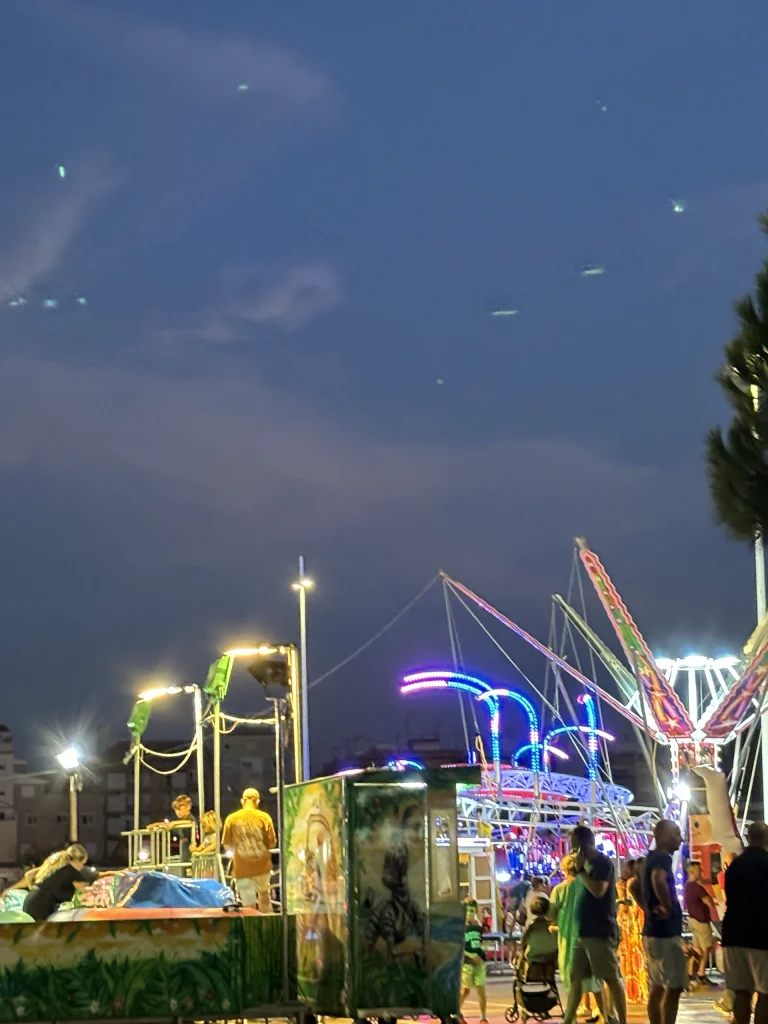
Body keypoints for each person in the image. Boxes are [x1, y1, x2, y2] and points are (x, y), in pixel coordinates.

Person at [562, 825, 626, 1024]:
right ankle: (568, 1019)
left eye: (574, 846)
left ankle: (621, 1019)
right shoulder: (584, 866)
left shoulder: (601, 863)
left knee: (610, 977)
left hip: (598, 930)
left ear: (584, 844)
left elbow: (598, 891)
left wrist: (581, 870)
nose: (572, 851)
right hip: (582, 931)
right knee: (576, 978)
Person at [549, 854, 605, 1022]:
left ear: (564, 870)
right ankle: (605, 1014)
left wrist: (554, 925)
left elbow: (551, 913)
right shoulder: (588, 887)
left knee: (571, 979)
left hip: (568, 940)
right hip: (590, 938)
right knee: (595, 981)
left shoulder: (559, 889)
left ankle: (571, 1017)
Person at [722, 821, 768, 1024]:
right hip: (761, 935)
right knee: (766, 993)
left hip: (733, 934)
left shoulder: (735, 865)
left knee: (742, 991)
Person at [642, 819, 686, 1024]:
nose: (681, 838)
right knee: (674, 986)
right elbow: (658, 879)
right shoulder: (662, 858)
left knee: (658, 986)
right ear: (664, 836)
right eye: (677, 833)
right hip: (666, 934)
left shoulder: (648, 859)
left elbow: (634, 885)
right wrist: (667, 907)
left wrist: (647, 908)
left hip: (652, 931)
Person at [221, 787, 277, 913]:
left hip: (242, 867)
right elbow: (272, 843)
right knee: (264, 898)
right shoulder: (264, 817)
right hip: (262, 866)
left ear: (242, 801)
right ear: (257, 801)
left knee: (248, 904)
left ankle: (252, 930)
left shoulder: (231, 819)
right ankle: (267, 928)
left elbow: (226, 845)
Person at [22, 844, 112, 921]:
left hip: (30, 900)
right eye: (82, 864)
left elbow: (29, 874)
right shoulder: (71, 872)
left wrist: (32, 888)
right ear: (77, 861)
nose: (82, 868)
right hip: (41, 906)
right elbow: (87, 884)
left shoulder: (55, 865)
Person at [617, 859, 649, 1004]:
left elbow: (623, 908)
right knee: (642, 960)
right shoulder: (639, 883)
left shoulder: (626, 884)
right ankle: (644, 992)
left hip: (631, 928)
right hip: (640, 925)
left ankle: (635, 993)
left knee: (632, 961)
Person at [685, 860, 716, 987]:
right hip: (701, 921)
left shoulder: (688, 886)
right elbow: (709, 902)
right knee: (706, 948)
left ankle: (689, 974)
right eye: (699, 870)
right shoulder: (697, 888)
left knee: (697, 949)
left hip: (692, 920)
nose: (702, 872)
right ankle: (702, 974)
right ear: (694, 871)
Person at [460, 898, 488, 1024]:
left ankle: (483, 1017)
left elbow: (479, 943)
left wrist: (483, 952)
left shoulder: (477, 927)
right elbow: (458, 948)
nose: (469, 913)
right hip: (467, 963)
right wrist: (471, 955)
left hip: (479, 963)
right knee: (466, 990)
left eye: (472, 910)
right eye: (466, 911)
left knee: (481, 989)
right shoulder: (459, 928)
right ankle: (456, 1011)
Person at [521, 895, 558, 962]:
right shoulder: (552, 925)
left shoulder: (531, 926)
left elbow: (523, 941)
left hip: (533, 957)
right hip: (551, 957)